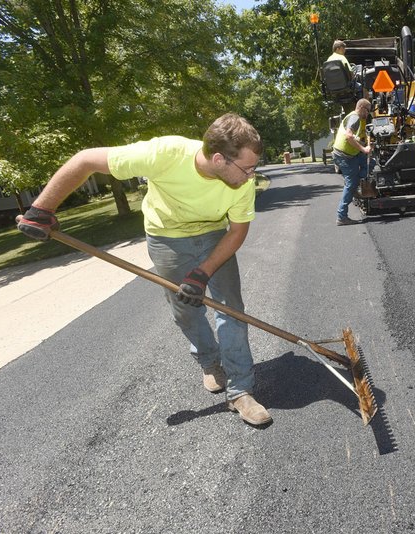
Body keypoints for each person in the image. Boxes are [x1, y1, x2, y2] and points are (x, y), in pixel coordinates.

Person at [15, 113, 272, 427]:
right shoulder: (165, 154)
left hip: (215, 235)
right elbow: (85, 160)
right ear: (219, 159)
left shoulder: (240, 181)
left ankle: (241, 390)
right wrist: (42, 208)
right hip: (167, 237)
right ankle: (210, 361)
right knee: (185, 310)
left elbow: (237, 232)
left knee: (231, 309)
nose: (251, 176)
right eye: (247, 168)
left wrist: (203, 272)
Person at [332, 98, 371, 226]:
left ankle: (357, 186)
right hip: (344, 156)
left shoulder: (354, 117)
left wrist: (364, 144)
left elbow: (353, 137)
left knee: (370, 162)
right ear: (362, 108)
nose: (368, 114)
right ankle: (341, 216)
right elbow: (349, 136)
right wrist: (364, 149)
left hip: (349, 154)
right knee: (351, 183)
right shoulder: (355, 118)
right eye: (368, 111)